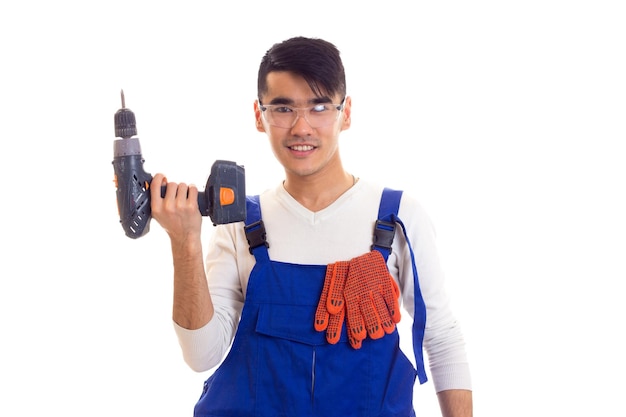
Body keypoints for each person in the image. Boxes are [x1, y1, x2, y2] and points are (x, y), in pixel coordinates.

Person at [151, 36, 473, 417]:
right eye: (283, 108)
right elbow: (201, 355)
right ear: (259, 115)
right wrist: (184, 241)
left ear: (346, 112)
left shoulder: (397, 219)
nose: (301, 127)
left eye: (319, 107)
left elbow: (441, 337)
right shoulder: (239, 224)